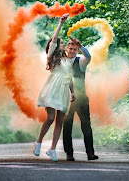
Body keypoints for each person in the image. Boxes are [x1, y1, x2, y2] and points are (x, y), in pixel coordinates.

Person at [33, 13, 76, 162]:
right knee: (50, 118)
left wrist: (72, 92)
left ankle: (52, 149)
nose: (64, 45)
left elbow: (69, 78)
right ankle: (38, 142)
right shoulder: (52, 57)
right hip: (53, 89)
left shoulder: (67, 61)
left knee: (59, 122)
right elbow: (53, 41)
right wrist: (60, 24)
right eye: (62, 43)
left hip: (63, 91)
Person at [63, 38, 99, 161]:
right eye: (70, 48)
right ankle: (69, 153)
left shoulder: (81, 62)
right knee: (67, 126)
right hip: (66, 99)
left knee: (86, 125)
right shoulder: (62, 62)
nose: (72, 51)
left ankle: (90, 153)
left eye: (75, 49)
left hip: (81, 98)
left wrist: (81, 46)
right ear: (67, 49)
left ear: (78, 51)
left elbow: (88, 56)